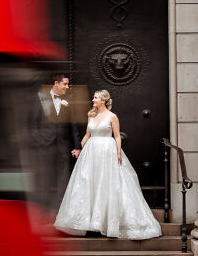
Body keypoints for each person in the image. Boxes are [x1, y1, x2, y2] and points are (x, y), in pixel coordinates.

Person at [54, 90, 161, 240]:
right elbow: (87, 134)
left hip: (106, 152)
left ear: (103, 100)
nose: (93, 100)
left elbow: (117, 136)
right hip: (91, 153)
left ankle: (105, 222)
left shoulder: (112, 117)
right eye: (94, 97)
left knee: (106, 184)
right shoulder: (91, 115)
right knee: (89, 183)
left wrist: (118, 153)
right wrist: (79, 148)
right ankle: (88, 222)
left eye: (96, 97)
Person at [28, 73, 81, 210]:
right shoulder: (41, 98)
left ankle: (60, 207)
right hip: (44, 144)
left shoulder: (68, 100)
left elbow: (73, 125)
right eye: (65, 84)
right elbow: (33, 123)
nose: (67, 87)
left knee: (64, 176)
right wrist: (38, 141)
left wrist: (77, 146)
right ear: (56, 84)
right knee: (45, 176)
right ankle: (44, 207)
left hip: (63, 144)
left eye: (68, 84)